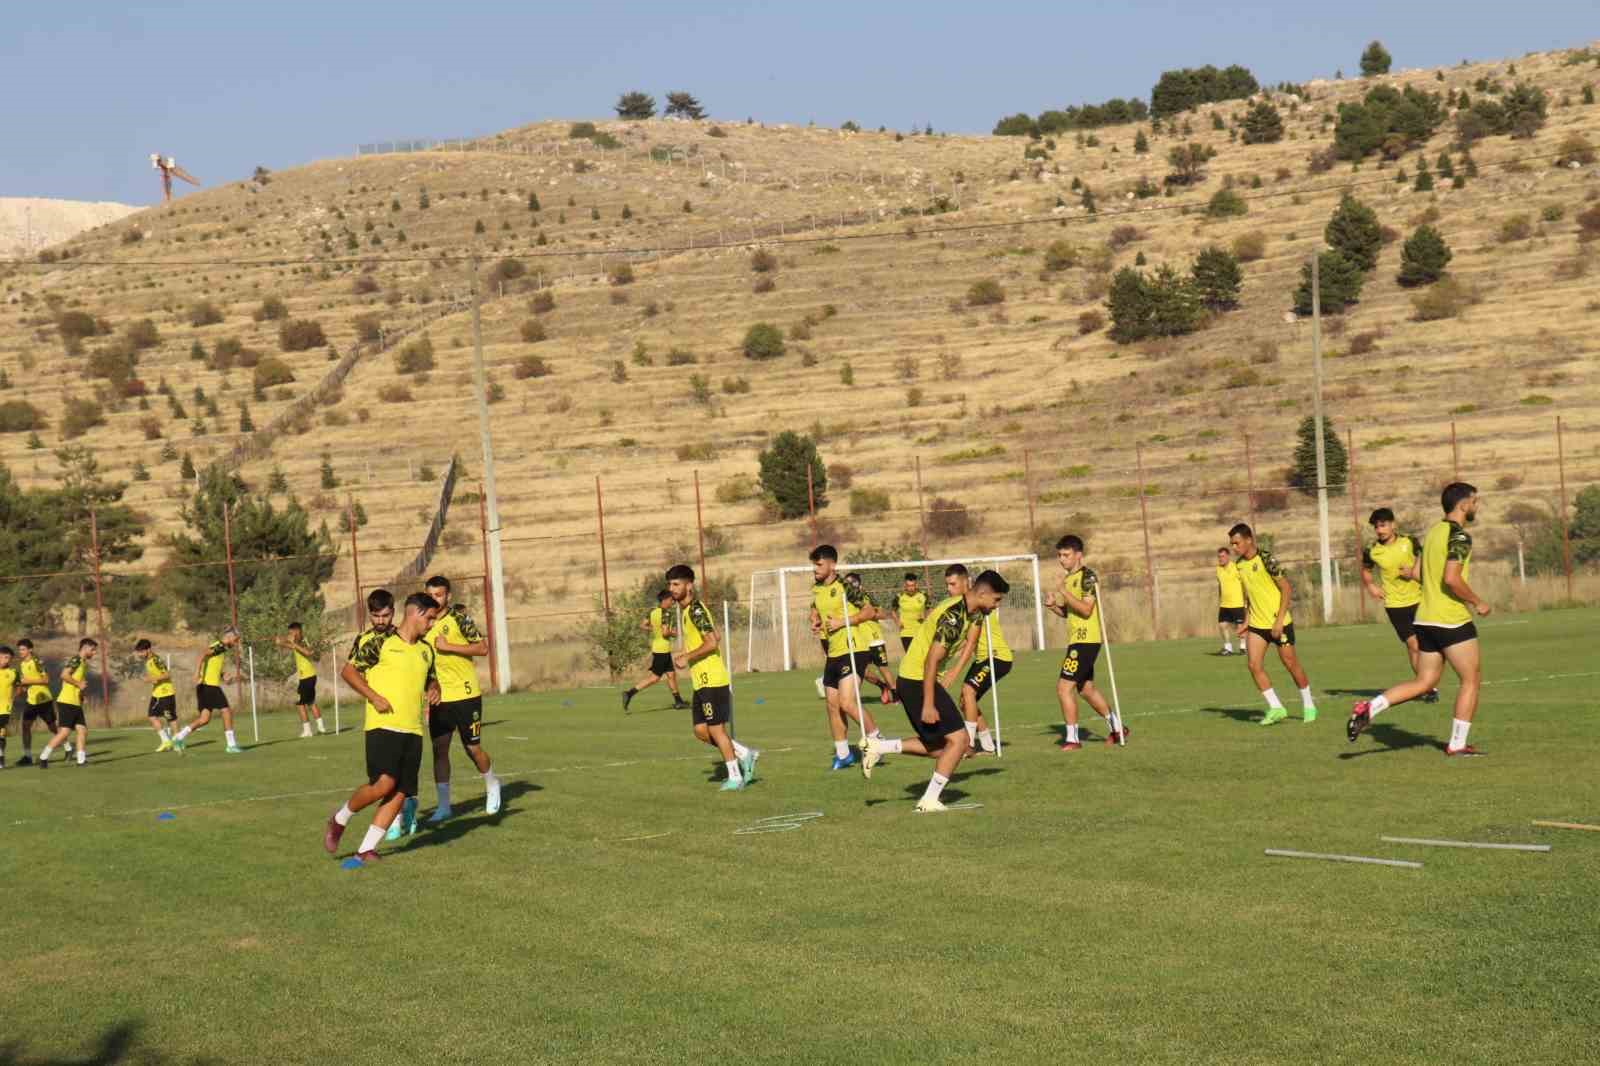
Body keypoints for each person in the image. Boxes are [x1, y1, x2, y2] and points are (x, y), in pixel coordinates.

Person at [1349, 483, 1491, 756]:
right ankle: (1458, 744)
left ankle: (1370, 707)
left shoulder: (1434, 532)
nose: (1476, 505)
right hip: (1450, 619)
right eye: (1475, 501)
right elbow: (1451, 578)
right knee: (1470, 679)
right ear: (1462, 504)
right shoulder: (1459, 536)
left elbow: (1418, 574)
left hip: (1424, 618)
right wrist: (1477, 601)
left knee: (1424, 682)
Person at [863, 570, 1009, 813]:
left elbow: (971, 642)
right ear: (982, 594)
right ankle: (928, 801)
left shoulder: (975, 612)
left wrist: (953, 672)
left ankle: (879, 747)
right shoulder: (953, 616)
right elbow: (931, 660)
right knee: (960, 741)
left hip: (920, 680)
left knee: (943, 749)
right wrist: (929, 704)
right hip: (916, 680)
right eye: (996, 600)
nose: (997, 606)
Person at [323, 591, 440, 864]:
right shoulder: (380, 643)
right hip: (382, 725)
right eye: (431, 618)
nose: (432, 624)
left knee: (400, 792)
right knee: (383, 784)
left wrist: (434, 689)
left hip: (414, 730)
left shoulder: (426, 650)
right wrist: (373, 696)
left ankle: (366, 850)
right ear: (416, 613)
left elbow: (430, 680)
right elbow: (349, 672)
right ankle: (339, 819)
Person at [418, 574, 502, 827]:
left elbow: (482, 648)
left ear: (448, 596)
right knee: (439, 750)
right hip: (440, 699)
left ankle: (492, 785)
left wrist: (450, 646)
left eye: (439, 594)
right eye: (430, 594)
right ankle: (444, 807)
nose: (435, 599)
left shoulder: (459, 618)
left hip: (466, 695)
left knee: (472, 748)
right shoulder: (423, 624)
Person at [667, 564, 758, 791]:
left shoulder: (696, 610)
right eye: (670, 584)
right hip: (701, 680)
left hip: (712, 679)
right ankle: (745, 753)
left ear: (689, 585)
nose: (672, 588)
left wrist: (687, 656)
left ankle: (735, 776)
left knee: (716, 730)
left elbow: (712, 642)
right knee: (700, 731)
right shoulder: (688, 611)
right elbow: (715, 635)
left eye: (676, 584)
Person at [1228, 524, 1318, 726]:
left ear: (1249, 539)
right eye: (1232, 544)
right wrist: (1246, 622)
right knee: (1253, 665)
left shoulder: (1267, 559)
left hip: (1280, 623)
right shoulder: (1240, 565)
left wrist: (1278, 621)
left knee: (1290, 664)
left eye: (1237, 543)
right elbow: (1250, 597)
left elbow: (1286, 589)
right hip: (1258, 625)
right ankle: (1276, 707)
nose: (1234, 547)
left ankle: (1309, 704)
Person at [1047, 535, 1128, 749]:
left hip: (1086, 641)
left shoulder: (1088, 577)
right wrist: (1054, 606)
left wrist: (1063, 591)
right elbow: (1070, 613)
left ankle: (1073, 739)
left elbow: (1086, 609)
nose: (1061, 559)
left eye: (1066, 555)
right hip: (1076, 640)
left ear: (1078, 555)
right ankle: (1118, 728)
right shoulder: (1068, 579)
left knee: (1063, 688)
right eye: (1059, 555)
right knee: (1086, 689)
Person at [808, 544, 882, 770]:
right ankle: (843, 755)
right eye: (814, 564)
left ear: (832, 564)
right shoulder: (817, 588)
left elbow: (871, 611)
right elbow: (815, 609)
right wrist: (816, 621)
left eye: (819, 564)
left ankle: (877, 741)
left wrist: (842, 622)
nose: (815, 569)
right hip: (834, 652)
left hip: (854, 649)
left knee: (847, 702)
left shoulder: (845, 586)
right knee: (832, 705)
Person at [1360, 508, 1438, 703]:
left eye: (1383, 525)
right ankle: (1427, 687)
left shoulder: (1409, 542)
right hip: (1395, 605)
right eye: (1376, 526)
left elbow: (1423, 557)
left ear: (1393, 524)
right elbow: (1366, 570)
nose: (1380, 530)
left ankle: (1425, 684)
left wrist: (1413, 571)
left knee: (1428, 645)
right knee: (1413, 646)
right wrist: (1371, 586)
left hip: (1420, 599)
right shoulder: (1372, 550)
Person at [172, 628, 242, 753]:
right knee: (226, 711)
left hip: (205, 686)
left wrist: (222, 675)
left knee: (204, 719)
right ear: (230, 637)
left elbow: (210, 663)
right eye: (236, 640)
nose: (236, 643)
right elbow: (203, 654)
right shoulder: (220, 646)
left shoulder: (222, 648)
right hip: (209, 685)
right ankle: (231, 745)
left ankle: (178, 737)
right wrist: (196, 672)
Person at [622, 590, 687, 712]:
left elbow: (642, 625)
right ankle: (629, 693)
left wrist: (653, 628)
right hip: (662, 649)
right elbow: (665, 632)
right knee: (654, 678)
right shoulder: (666, 613)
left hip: (659, 648)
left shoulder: (652, 611)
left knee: (671, 675)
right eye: (671, 600)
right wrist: (674, 632)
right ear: (665, 600)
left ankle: (678, 702)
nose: (672, 602)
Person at [842, 571, 898, 705]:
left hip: (874, 638)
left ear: (856, 583)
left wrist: (868, 614)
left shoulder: (866, 596)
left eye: (849, 583)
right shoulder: (845, 599)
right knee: (862, 671)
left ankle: (897, 695)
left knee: (883, 668)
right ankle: (882, 686)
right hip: (858, 640)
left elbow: (883, 614)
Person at [38, 638, 95, 768]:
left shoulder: (83, 663)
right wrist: (78, 684)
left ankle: (81, 760)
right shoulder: (76, 660)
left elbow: (77, 682)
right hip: (67, 702)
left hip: (75, 702)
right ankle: (44, 757)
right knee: (64, 732)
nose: (94, 652)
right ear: (85, 648)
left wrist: (81, 695)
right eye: (93, 649)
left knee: (82, 730)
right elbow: (64, 675)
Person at [276, 622, 329, 738]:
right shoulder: (298, 643)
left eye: (291, 632)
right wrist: (281, 642)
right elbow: (291, 646)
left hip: (307, 676)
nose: (289, 634)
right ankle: (321, 728)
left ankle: (307, 731)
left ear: (297, 631)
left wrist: (293, 643)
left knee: (300, 704)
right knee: (311, 702)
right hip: (307, 676)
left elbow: (308, 652)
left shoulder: (303, 641)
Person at [15, 639, 57, 765]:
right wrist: (18, 691)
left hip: (44, 699)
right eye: (19, 649)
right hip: (31, 700)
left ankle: (68, 748)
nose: (20, 652)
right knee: (25, 726)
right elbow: (24, 684)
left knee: (52, 727)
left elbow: (46, 680)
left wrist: (27, 682)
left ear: (30, 650)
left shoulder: (37, 662)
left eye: (23, 649)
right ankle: (27, 757)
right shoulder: (22, 664)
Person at [134, 638, 178, 752]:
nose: (139, 654)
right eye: (138, 652)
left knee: (171, 719)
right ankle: (166, 741)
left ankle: (178, 742)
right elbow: (158, 677)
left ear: (148, 650)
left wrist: (152, 678)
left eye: (141, 651)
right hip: (157, 694)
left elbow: (167, 674)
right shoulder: (148, 661)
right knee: (152, 716)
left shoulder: (155, 660)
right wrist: (153, 680)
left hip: (165, 693)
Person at [1215, 547, 1246, 655]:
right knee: (1222, 625)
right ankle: (1228, 648)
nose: (1220, 559)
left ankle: (1243, 647)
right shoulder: (1218, 569)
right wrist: (1220, 598)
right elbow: (1220, 585)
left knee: (1240, 626)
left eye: (1223, 556)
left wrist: (1246, 599)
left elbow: (1244, 583)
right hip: (1224, 604)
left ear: (1228, 556)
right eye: (1219, 557)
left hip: (1237, 603)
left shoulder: (1236, 567)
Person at [889, 572, 928, 652]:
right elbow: (892, 611)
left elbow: (929, 609)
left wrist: (926, 617)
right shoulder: (899, 596)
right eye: (908, 586)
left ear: (916, 585)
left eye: (912, 585)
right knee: (910, 657)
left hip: (920, 631)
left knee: (921, 657)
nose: (911, 588)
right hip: (906, 632)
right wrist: (897, 622)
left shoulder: (923, 595)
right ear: (905, 585)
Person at [0, 645, 16, 769]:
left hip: (4, 708)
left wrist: (13, 697)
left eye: (7, 658)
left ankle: (1, 759)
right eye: (2, 657)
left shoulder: (13, 673)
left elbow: (21, 686)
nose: (4, 660)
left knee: (1, 733)